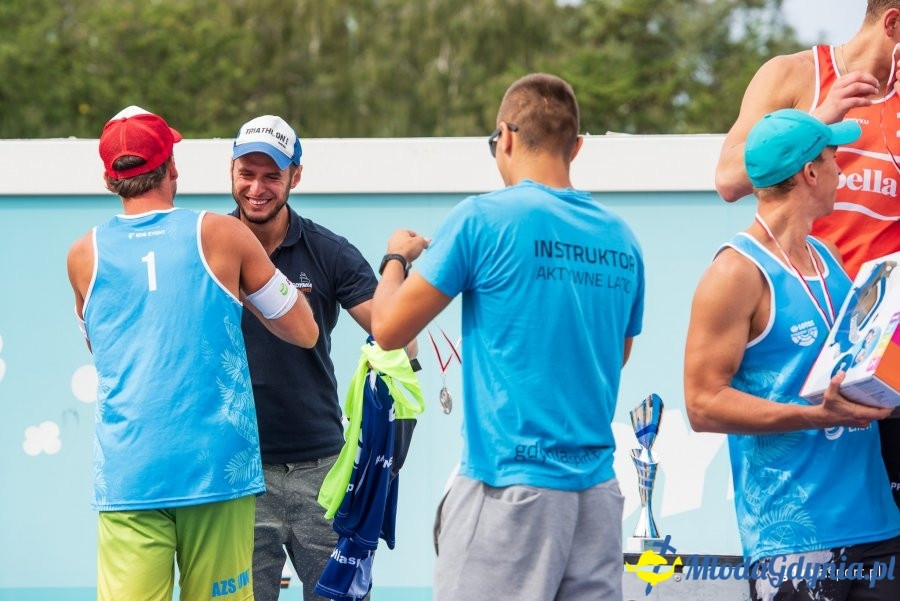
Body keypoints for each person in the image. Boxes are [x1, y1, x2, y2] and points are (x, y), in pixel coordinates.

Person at [371, 73, 645, 601]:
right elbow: (617, 356)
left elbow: (387, 330)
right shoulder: (621, 239)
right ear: (577, 146)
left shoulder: (482, 219)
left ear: (507, 136)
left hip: (509, 487)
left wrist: (395, 259)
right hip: (596, 497)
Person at [66, 106, 319, 601]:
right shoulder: (223, 235)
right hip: (215, 468)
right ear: (173, 167)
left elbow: (103, 345)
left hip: (130, 473)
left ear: (107, 177)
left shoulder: (82, 256)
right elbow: (305, 331)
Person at [686, 108, 900, 601]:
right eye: (833, 159)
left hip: (875, 526)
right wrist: (813, 415)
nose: (841, 172)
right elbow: (701, 404)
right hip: (794, 539)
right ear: (809, 173)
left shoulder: (828, 257)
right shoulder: (735, 273)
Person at [715, 0, 900, 511]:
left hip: (890, 355)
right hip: (811, 345)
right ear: (893, 24)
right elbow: (729, 179)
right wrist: (819, 122)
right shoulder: (795, 74)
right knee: (820, 532)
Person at [229, 115, 390, 601]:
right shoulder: (207, 247)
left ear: (295, 176)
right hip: (236, 469)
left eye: (271, 175)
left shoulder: (328, 251)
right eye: (246, 173)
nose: (257, 188)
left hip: (321, 470)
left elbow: (395, 333)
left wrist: (396, 262)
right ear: (231, 171)